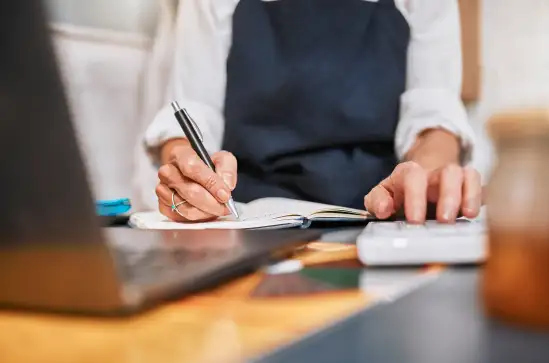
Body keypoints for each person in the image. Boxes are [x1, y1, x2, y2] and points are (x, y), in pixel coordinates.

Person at [139, 0, 483, 224]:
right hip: (249, 217)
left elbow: (433, 109)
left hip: (377, 212)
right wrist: (187, 172)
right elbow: (194, 108)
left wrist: (425, 176)